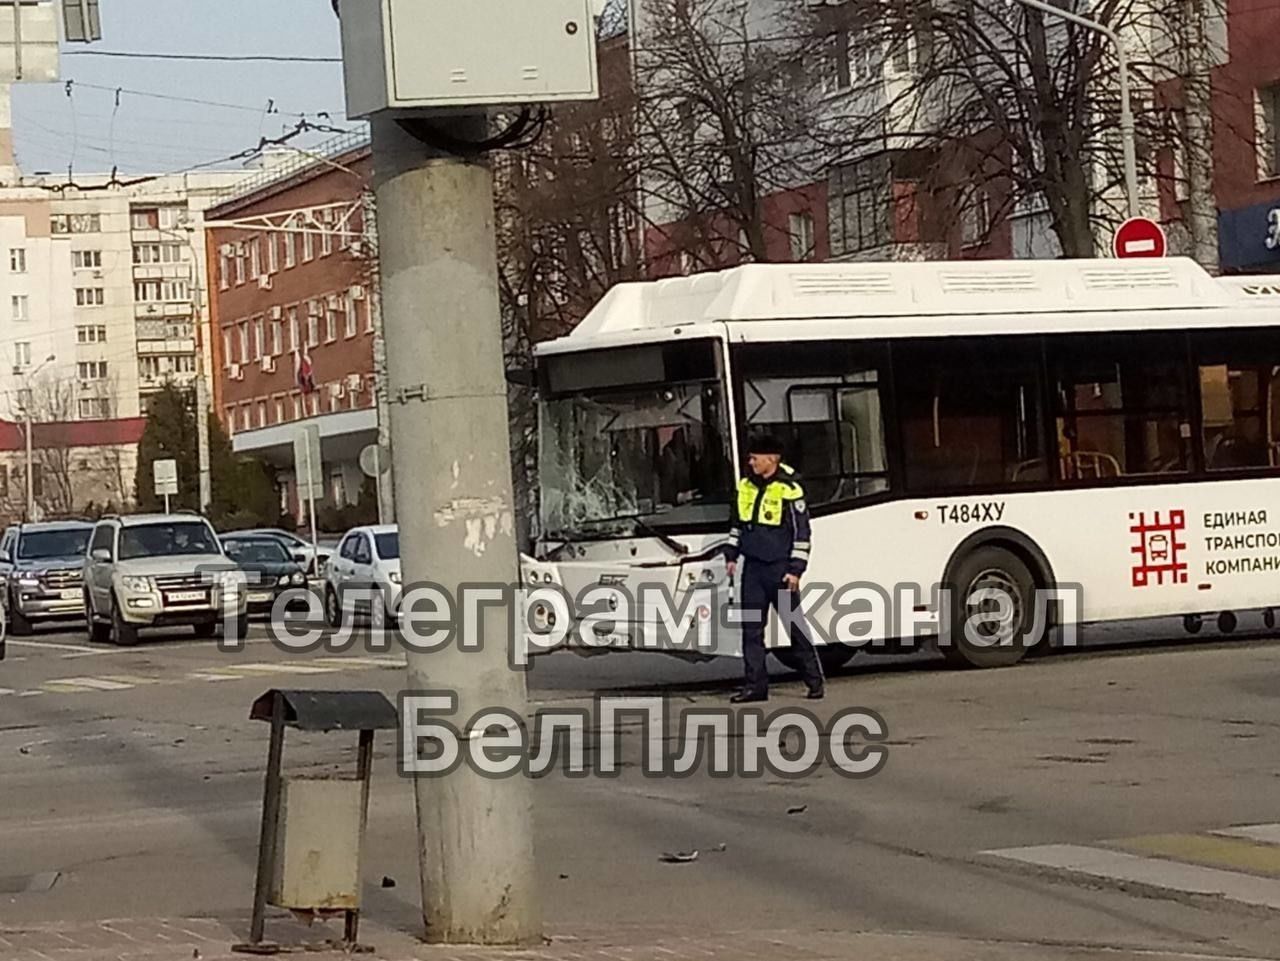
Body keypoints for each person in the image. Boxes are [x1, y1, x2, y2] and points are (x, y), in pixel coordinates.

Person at [723, 434, 824, 703]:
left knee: (794, 625)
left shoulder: (790, 488)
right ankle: (756, 687)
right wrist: (731, 555)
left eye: (755, 457)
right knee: (751, 630)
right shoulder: (745, 486)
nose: (751, 461)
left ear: (771, 459)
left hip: (780, 571)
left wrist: (796, 570)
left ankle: (814, 681)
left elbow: (802, 533)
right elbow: (737, 525)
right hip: (753, 569)